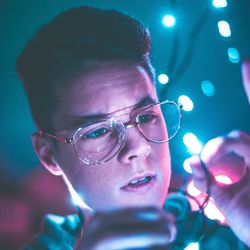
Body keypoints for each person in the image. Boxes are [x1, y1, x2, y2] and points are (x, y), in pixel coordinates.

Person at [16, 6, 250, 249]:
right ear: (48, 154)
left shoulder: (228, 237)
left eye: (146, 117)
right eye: (97, 131)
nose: (139, 147)